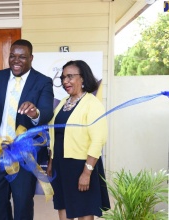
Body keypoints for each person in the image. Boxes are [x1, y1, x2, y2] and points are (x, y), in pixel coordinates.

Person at [0, 39, 54, 220]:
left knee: (22, 204)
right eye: (13, 56)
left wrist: (34, 112)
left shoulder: (42, 81)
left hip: (24, 153)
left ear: (31, 58)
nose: (16, 61)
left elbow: (46, 113)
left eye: (22, 57)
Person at [46, 60, 110, 220]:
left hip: (81, 165)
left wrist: (87, 172)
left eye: (70, 77)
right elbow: (56, 135)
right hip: (60, 165)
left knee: (84, 209)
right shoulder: (62, 103)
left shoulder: (92, 104)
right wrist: (52, 161)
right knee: (63, 205)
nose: (65, 81)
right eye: (63, 78)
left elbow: (98, 140)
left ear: (83, 79)